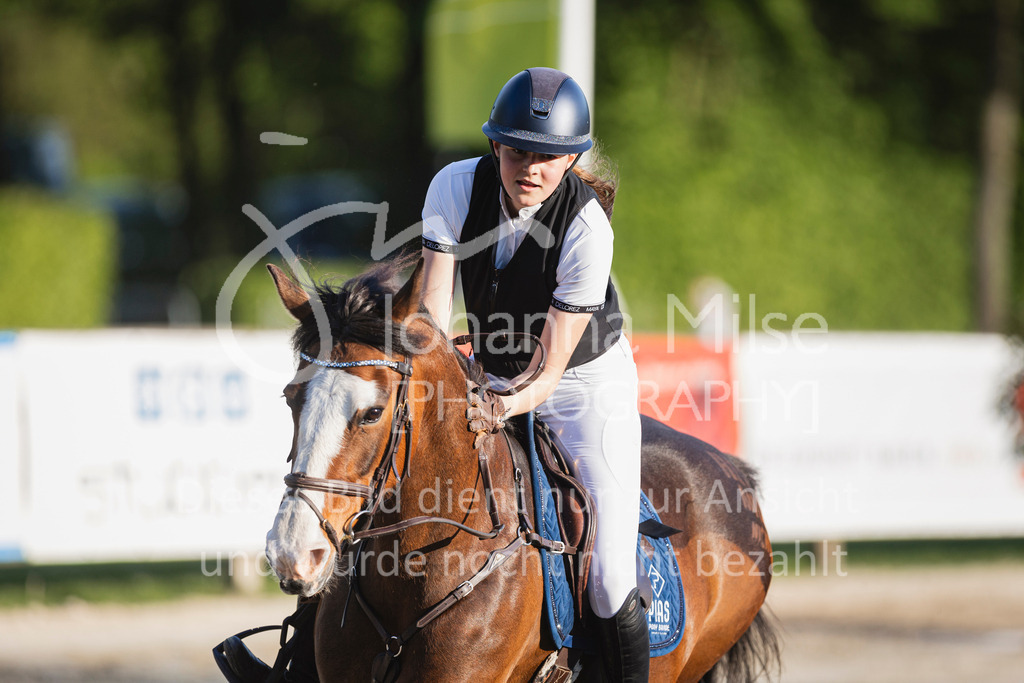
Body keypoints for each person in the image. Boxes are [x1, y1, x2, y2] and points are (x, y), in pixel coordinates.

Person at [421, 67, 647, 682]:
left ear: (572, 159)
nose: (531, 169)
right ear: (496, 145)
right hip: (491, 371)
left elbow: (545, 375)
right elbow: (434, 310)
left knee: (609, 573)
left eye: (549, 157)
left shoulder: (587, 228)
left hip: (580, 386)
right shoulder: (452, 187)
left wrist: (497, 405)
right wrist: (439, 373)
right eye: (519, 151)